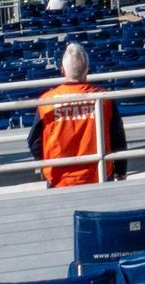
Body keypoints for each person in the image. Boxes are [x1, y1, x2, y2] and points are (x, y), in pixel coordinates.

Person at [35, 43, 127, 187]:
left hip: (59, 178)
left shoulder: (46, 101)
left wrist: (43, 165)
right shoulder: (104, 99)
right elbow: (118, 138)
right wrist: (121, 171)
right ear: (87, 69)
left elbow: (34, 141)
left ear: (63, 70)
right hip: (99, 174)